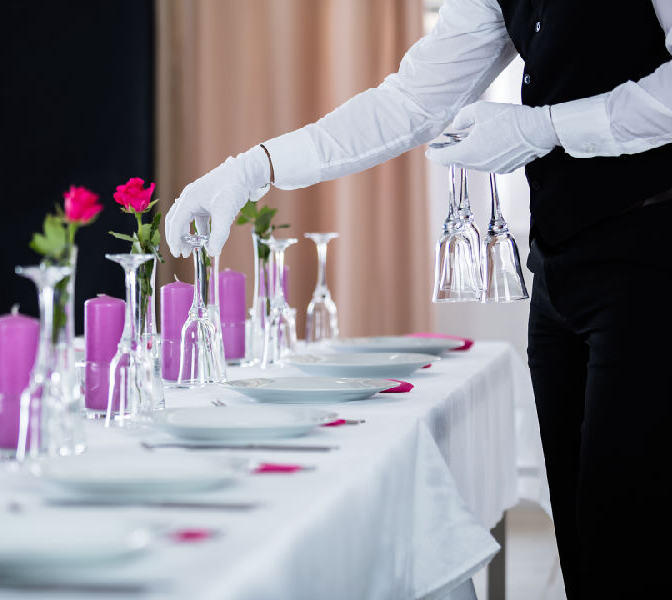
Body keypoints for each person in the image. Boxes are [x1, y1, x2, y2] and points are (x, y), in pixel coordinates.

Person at [164, 1, 671, 597]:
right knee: (584, 548)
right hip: (558, 274)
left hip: (652, 259)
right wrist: (254, 168)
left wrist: (544, 128)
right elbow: (410, 103)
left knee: (627, 542)